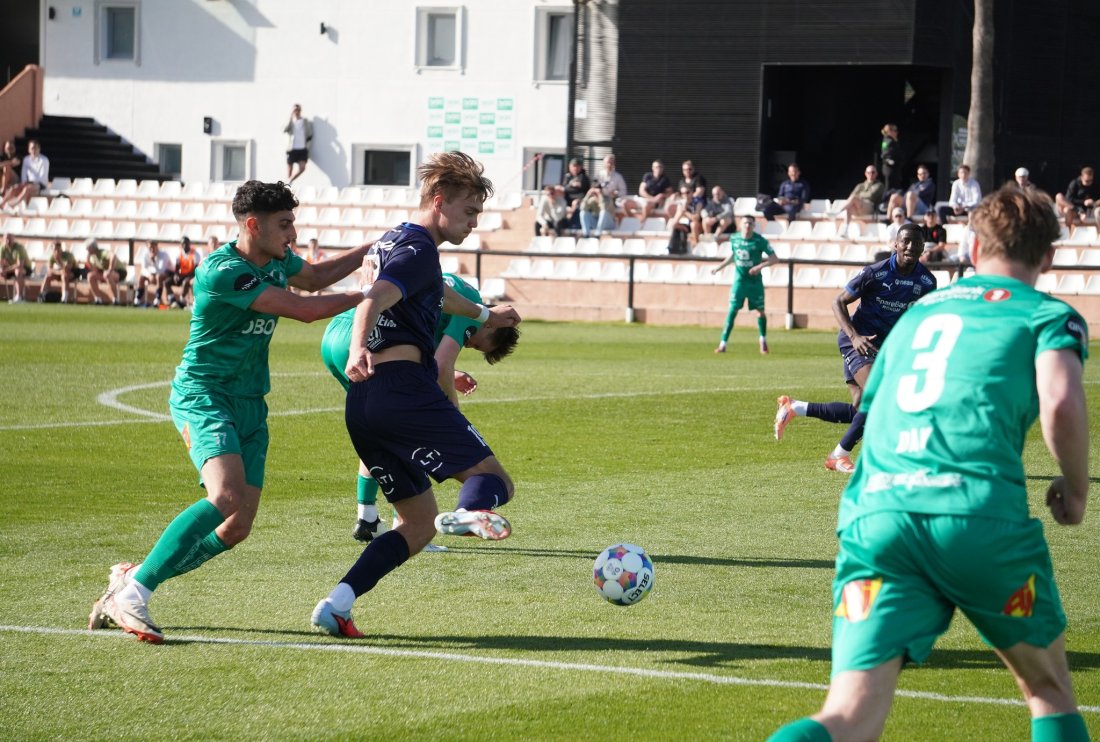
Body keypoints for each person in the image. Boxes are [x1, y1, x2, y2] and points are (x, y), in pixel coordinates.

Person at [767, 186, 1090, 742]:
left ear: (973, 247)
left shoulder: (921, 313)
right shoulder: (1047, 314)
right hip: (976, 514)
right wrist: (1076, 488)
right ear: (1049, 257)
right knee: (1049, 691)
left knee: (848, 714)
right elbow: (1060, 401)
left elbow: (875, 410)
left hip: (878, 516)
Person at [88, 180, 392, 644]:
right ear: (253, 225)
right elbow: (302, 308)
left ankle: (134, 576)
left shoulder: (276, 260)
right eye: (284, 224)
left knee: (236, 527)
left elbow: (314, 277)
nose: (293, 233)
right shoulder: (223, 270)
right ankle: (134, 594)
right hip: (205, 394)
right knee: (225, 494)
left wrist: (376, 247)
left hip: (250, 402)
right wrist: (374, 295)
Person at [309, 151, 522, 638]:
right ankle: (468, 513)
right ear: (439, 200)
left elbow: (434, 293)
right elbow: (376, 296)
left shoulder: (397, 241)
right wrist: (357, 347)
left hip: (364, 403)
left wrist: (486, 316)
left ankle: (337, 604)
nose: (474, 222)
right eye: (469, 211)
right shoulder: (420, 248)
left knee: (418, 523)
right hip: (402, 388)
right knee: (494, 480)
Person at [321, 270, 520, 545]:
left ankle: (367, 517)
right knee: (403, 431)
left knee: (380, 429)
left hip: (339, 334)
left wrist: (448, 373)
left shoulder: (441, 279)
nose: (469, 343)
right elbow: (442, 363)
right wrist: (451, 415)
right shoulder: (470, 303)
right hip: (367, 341)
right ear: (490, 326)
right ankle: (407, 525)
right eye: (476, 344)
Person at [773, 223, 936, 472]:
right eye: (906, 241)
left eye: (917, 243)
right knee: (877, 398)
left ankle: (794, 407)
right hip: (858, 342)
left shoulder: (926, 281)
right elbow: (838, 302)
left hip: (886, 349)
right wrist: (855, 336)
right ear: (896, 244)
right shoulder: (875, 272)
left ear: (924, 247)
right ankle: (838, 455)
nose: (910, 247)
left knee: (862, 406)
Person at [711, 215, 778, 355]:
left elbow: (774, 259)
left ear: (753, 226)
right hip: (740, 282)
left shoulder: (759, 240)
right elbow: (734, 256)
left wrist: (759, 267)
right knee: (732, 311)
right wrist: (719, 268)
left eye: (750, 224)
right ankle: (723, 344)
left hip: (755, 282)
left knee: (760, 311)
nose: (747, 226)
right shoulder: (734, 238)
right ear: (741, 225)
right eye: (745, 223)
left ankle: (763, 340)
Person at [0, 140, 48, 213]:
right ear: (29, 150)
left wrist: (30, 184)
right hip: (28, 183)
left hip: (40, 184)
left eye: (35, 148)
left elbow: (42, 177)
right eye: (32, 148)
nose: (34, 150)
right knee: (13, 188)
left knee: (26, 189)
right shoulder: (26, 159)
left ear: (39, 149)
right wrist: (24, 183)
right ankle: (2, 204)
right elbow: (24, 174)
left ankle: (13, 204)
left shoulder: (44, 160)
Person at [830, 165, 885, 229]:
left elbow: (870, 195)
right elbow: (851, 195)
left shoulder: (879, 185)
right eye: (868, 172)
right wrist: (860, 196)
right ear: (865, 173)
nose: (871, 174)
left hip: (870, 206)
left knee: (854, 198)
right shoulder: (860, 185)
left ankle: (838, 212)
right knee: (849, 208)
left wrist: (859, 195)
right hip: (858, 207)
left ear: (876, 174)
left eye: (873, 172)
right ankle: (845, 229)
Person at [85, 239, 127, 306]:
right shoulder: (92, 257)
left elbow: (113, 256)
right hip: (104, 273)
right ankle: (98, 299)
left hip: (119, 271)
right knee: (90, 276)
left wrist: (110, 269)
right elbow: (95, 270)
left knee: (107, 275)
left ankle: (115, 300)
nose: (86, 250)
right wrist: (88, 261)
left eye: (88, 248)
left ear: (92, 248)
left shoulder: (102, 252)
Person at [134, 240, 174, 308]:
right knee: (141, 277)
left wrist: (153, 261)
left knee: (158, 277)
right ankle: (137, 299)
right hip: (152, 274)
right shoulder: (145, 255)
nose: (152, 249)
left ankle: (157, 299)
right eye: (150, 248)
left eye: (153, 247)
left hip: (168, 274)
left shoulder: (164, 255)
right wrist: (149, 275)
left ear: (156, 246)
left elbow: (161, 270)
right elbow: (144, 269)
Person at [283, 103, 313, 184]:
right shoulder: (291, 122)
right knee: (289, 170)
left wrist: (308, 145)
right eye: (295, 110)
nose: (297, 111)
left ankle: (290, 180)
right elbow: (285, 129)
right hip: (292, 149)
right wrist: (290, 117)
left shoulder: (305, 121)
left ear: (300, 110)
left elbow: (310, 134)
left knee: (302, 168)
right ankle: (288, 186)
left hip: (302, 149)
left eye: (298, 110)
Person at [170, 236, 201, 308]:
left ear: (189, 244)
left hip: (192, 275)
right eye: (183, 244)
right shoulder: (179, 254)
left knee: (185, 282)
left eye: (186, 243)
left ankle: (181, 300)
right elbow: (177, 268)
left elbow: (195, 270)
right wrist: (176, 275)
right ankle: (172, 300)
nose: (184, 245)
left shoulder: (195, 254)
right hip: (182, 275)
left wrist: (184, 276)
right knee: (167, 282)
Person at [0, 232, 32, 304]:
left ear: (13, 239)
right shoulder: (2, 248)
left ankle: (19, 296)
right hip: (11, 269)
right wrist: (2, 270)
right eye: (6, 239)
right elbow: (1, 262)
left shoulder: (19, 248)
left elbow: (20, 265)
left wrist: (6, 270)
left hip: (26, 268)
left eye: (9, 239)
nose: (8, 241)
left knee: (18, 271)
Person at [560, 157, 590, 232]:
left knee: (577, 207)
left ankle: (574, 226)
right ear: (570, 167)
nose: (575, 168)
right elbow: (564, 188)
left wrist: (571, 187)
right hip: (567, 200)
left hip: (580, 200)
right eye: (574, 166)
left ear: (580, 167)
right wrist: (572, 185)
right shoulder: (567, 176)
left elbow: (582, 188)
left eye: (577, 166)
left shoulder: (583, 177)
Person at [597, 154, 630, 218]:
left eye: (611, 163)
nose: (609, 165)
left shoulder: (618, 177)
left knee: (604, 212)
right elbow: (593, 188)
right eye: (608, 162)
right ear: (604, 163)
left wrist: (616, 193)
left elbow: (624, 191)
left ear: (614, 164)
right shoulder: (598, 175)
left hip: (612, 201)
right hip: (599, 200)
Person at [877, 123, 902, 192]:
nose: (897, 132)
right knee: (891, 189)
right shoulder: (889, 141)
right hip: (891, 169)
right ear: (889, 131)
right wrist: (890, 161)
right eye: (895, 130)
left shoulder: (886, 140)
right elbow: (885, 155)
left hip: (889, 169)